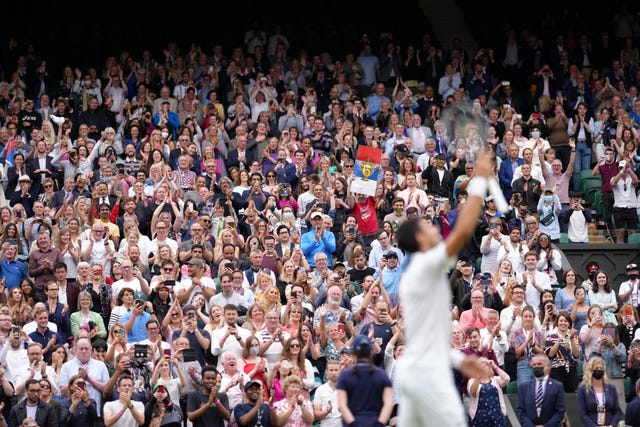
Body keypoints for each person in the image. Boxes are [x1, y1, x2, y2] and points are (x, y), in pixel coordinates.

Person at [393, 150, 491, 427]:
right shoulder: (424, 266)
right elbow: (461, 232)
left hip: (419, 370)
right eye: (429, 226)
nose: (436, 228)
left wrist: (459, 362)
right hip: (427, 375)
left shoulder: (422, 272)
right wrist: (479, 180)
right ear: (421, 238)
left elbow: (429, 341)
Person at [336, 335, 393, 427]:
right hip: (375, 422)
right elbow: (389, 403)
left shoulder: (345, 375)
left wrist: (353, 424)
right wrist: (379, 424)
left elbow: (341, 406)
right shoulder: (381, 375)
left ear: (353, 353)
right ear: (371, 352)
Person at [515, 354, 566, 427]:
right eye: (534, 364)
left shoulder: (557, 386)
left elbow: (560, 411)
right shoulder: (524, 387)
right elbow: (520, 410)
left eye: (539, 364)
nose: (536, 366)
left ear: (548, 366)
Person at [576, 355, 623, 427]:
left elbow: (617, 411)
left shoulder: (611, 388)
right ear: (591, 370)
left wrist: (612, 425)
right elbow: (582, 414)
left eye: (601, 368)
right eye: (597, 368)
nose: (599, 370)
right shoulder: (583, 389)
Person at [466, 357, 510, 427]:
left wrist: (494, 366)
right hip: (479, 418)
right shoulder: (472, 381)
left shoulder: (495, 380)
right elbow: (472, 392)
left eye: (485, 364)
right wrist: (478, 376)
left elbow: (507, 379)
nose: (482, 366)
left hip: (497, 416)